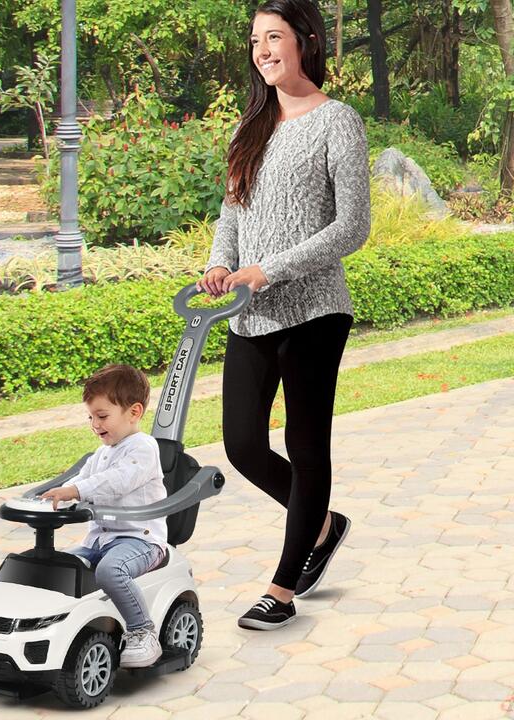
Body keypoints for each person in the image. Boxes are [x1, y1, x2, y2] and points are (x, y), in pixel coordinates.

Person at [196, 0, 371, 630]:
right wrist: (222, 264)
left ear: (305, 41)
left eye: (274, 37)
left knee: (305, 442)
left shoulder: (338, 122)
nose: (263, 50)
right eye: (255, 41)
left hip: (315, 312)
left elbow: (353, 227)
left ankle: (283, 586)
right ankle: (322, 525)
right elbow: (232, 212)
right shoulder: (252, 124)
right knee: (242, 443)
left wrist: (270, 269)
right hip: (248, 312)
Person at [41, 364, 168, 666]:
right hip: (100, 540)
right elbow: (79, 483)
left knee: (110, 571)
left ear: (134, 412)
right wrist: (54, 497)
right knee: (58, 567)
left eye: (102, 416)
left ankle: (142, 631)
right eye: (90, 417)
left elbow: (115, 482)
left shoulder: (143, 448)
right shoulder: (101, 454)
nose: (94, 424)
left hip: (140, 541)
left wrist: (76, 491)